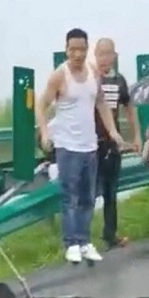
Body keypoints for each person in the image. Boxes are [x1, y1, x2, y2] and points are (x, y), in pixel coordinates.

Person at [36, 29, 124, 265]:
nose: (77, 54)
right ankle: (71, 243)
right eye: (72, 49)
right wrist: (45, 132)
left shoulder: (94, 73)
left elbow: (102, 103)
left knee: (88, 197)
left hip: (89, 145)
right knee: (70, 196)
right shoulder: (59, 76)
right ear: (66, 49)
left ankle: (84, 241)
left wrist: (113, 131)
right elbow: (41, 105)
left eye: (81, 49)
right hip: (67, 145)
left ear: (87, 49)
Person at [92, 37, 141, 250]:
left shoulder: (119, 80)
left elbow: (130, 108)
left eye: (108, 54)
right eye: (100, 54)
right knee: (88, 191)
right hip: (90, 142)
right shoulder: (89, 78)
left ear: (114, 56)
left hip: (112, 143)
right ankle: (80, 240)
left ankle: (110, 235)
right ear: (95, 55)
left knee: (111, 190)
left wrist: (137, 136)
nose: (104, 58)